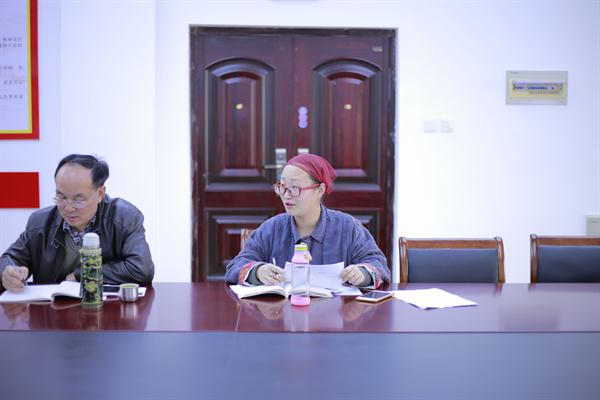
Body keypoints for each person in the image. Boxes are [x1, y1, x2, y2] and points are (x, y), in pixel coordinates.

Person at [226, 153, 389, 288]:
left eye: (295, 188)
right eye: (282, 186)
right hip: (281, 313)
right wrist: (258, 271)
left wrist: (363, 273)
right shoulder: (272, 228)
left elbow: (378, 263)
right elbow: (237, 265)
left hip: (335, 314)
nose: (286, 195)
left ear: (320, 190)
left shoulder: (348, 227)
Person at [0, 154, 154, 292]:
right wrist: (8, 274)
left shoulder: (125, 218)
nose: (68, 208)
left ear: (100, 193)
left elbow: (141, 269)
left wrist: (82, 274)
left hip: (106, 310)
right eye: (61, 197)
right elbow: (9, 260)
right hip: (52, 310)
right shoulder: (40, 222)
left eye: (78, 200)